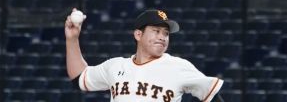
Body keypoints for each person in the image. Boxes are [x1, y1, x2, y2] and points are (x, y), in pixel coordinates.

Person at [65, 8, 224, 101]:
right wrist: (72, 39)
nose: (162, 37)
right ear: (138, 35)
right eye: (156, 31)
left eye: (166, 33)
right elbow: (79, 77)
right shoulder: (115, 66)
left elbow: (211, 94)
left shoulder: (179, 67)